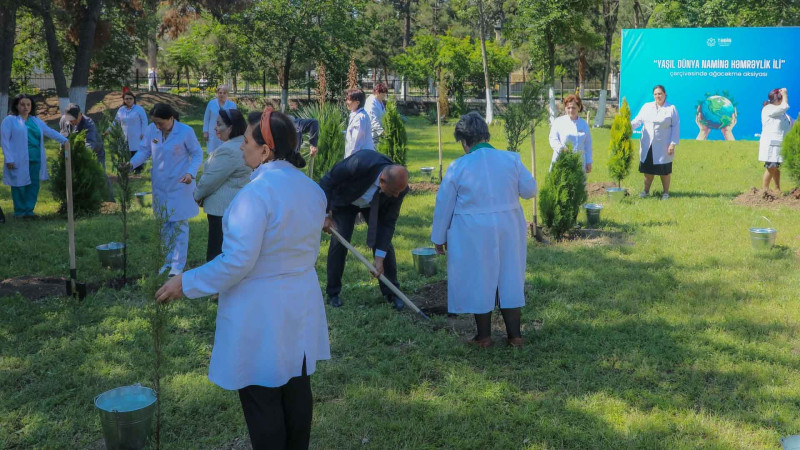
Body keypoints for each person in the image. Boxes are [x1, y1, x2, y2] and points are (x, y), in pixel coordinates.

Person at [154, 109, 329, 450]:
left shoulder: (255, 195)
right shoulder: (312, 190)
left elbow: (237, 262)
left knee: (261, 392)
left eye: (246, 142)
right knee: (296, 385)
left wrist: (185, 282)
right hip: (300, 300)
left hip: (262, 308)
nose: (241, 147)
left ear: (266, 150)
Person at [431, 112, 536, 348]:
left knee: (480, 276)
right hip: (509, 227)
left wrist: (439, 237)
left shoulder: (458, 166)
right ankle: (515, 336)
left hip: (472, 231)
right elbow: (530, 190)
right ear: (485, 135)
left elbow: (444, 204)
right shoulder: (511, 159)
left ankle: (484, 336)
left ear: (464, 141)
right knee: (510, 275)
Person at [319, 150, 409, 311]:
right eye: (394, 191)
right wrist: (325, 215)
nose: (396, 196)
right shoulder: (359, 163)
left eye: (399, 192)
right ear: (382, 180)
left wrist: (379, 258)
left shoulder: (399, 188)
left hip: (374, 204)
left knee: (385, 246)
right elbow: (327, 181)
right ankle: (333, 293)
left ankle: (392, 292)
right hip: (346, 201)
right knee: (340, 241)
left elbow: (388, 223)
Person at [130, 103, 203, 276]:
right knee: (164, 224)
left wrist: (190, 173)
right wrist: (131, 164)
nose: (157, 126)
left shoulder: (185, 131)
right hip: (161, 184)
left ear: (171, 118)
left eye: (160, 123)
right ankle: (168, 261)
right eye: (155, 123)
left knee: (179, 225)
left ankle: (178, 265)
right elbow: (144, 151)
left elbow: (198, 154)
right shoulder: (151, 131)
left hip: (180, 183)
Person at [194, 109, 251, 262]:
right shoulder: (242, 144)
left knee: (217, 256)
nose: (215, 128)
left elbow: (210, 180)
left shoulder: (228, 150)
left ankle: (215, 285)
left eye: (219, 124)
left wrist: (197, 195)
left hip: (222, 211)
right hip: (235, 208)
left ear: (231, 127)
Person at [1, 94, 68, 219]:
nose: (25, 107)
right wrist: (9, 159)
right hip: (18, 159)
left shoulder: (35, 120)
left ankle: (29, 211)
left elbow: (49, 131)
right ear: (16, 105)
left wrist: (65, 140)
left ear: (32, 106)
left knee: (33, 185)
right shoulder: (10, 120)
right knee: (19, 185)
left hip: (35, 158)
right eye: (22, 104)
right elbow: (4, 141)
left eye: (28, 104)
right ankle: (20, 212)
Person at [631, 85, 680, 200]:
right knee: (647, 171)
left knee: (664, 171)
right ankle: (646, 191)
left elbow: (676, 127)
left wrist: (672, 144)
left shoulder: (671, 108)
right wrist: (626, 126)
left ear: (665, 94)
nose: (658, 96)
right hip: (648, 144)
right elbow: (638, 121)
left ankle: (666, 193)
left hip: (664, 145)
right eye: (656, 94)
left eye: (660, 94)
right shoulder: (647, 107)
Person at [61, 103, 115, 202]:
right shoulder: (64, 120)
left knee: (100, 174)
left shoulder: (88, 123)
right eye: (70, 119)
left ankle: (110, 201)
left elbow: (89, 143)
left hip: (95, 152)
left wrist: (83, 156)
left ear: (80, 115)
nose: (72, 122)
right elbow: (63, 137)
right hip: (75, 152)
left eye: (74, 119)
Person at [548, 94, 593, 173]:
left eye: (573, 107)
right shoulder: (558, 122)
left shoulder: (584, 124)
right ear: (565, 108)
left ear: (579, 108)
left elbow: (587, 144)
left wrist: (588, 162)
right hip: (561, 160)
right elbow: (553, 138)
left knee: (578, 183)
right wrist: (561, 149)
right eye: (568, 108)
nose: (571, 110)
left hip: (579, 162)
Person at [759, 88, 791, 192]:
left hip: (779, 144)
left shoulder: (782, 114)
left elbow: (790, 123)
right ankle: (765, 191)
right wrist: (785, 94)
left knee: (776, 167)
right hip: (770, 145)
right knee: (771, 167)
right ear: (779, 99)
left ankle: (777, 189)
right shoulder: (768, 108)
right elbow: (784, 106)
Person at [113, 88, 148, 174]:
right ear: (124, 100)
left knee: (136, 151)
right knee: (126, 151)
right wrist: (109, 130)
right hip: (125, 134)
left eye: (130, 98)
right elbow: (115, 121)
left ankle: (139, 169)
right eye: (126, 99)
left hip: (137, 134)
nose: (128, 100)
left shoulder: (139, 109)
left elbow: (144, 121)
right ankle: (128, 168)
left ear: (134, 99)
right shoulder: (121, 110)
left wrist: (144, 133)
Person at [203, 85, 237, 152]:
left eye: (224, 93)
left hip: (226, 133)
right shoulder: (211, 103)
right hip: (213, 132)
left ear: (227, 94)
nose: (222, 95)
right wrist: (205, 132)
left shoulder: (232, 105)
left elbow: (234, 120)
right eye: (220, 93)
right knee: (212, 153)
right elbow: (206, 118)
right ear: (217, 93)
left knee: (225, 153)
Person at [344, 89, 374, 158]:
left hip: (360, 158)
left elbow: (356, 142)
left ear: (357, 102)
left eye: (349, 100)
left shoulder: (360, 117)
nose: (346, 102)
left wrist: (349, 160)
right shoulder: (355, 114)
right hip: (357, 156)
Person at [364, 83, 388, 147]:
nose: (384, 96)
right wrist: (382, 132)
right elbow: (373, 120)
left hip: (378, 132)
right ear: (377, 92)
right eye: (383, 94)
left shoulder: (379, 101)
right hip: (372, 133)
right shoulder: (371, 102)